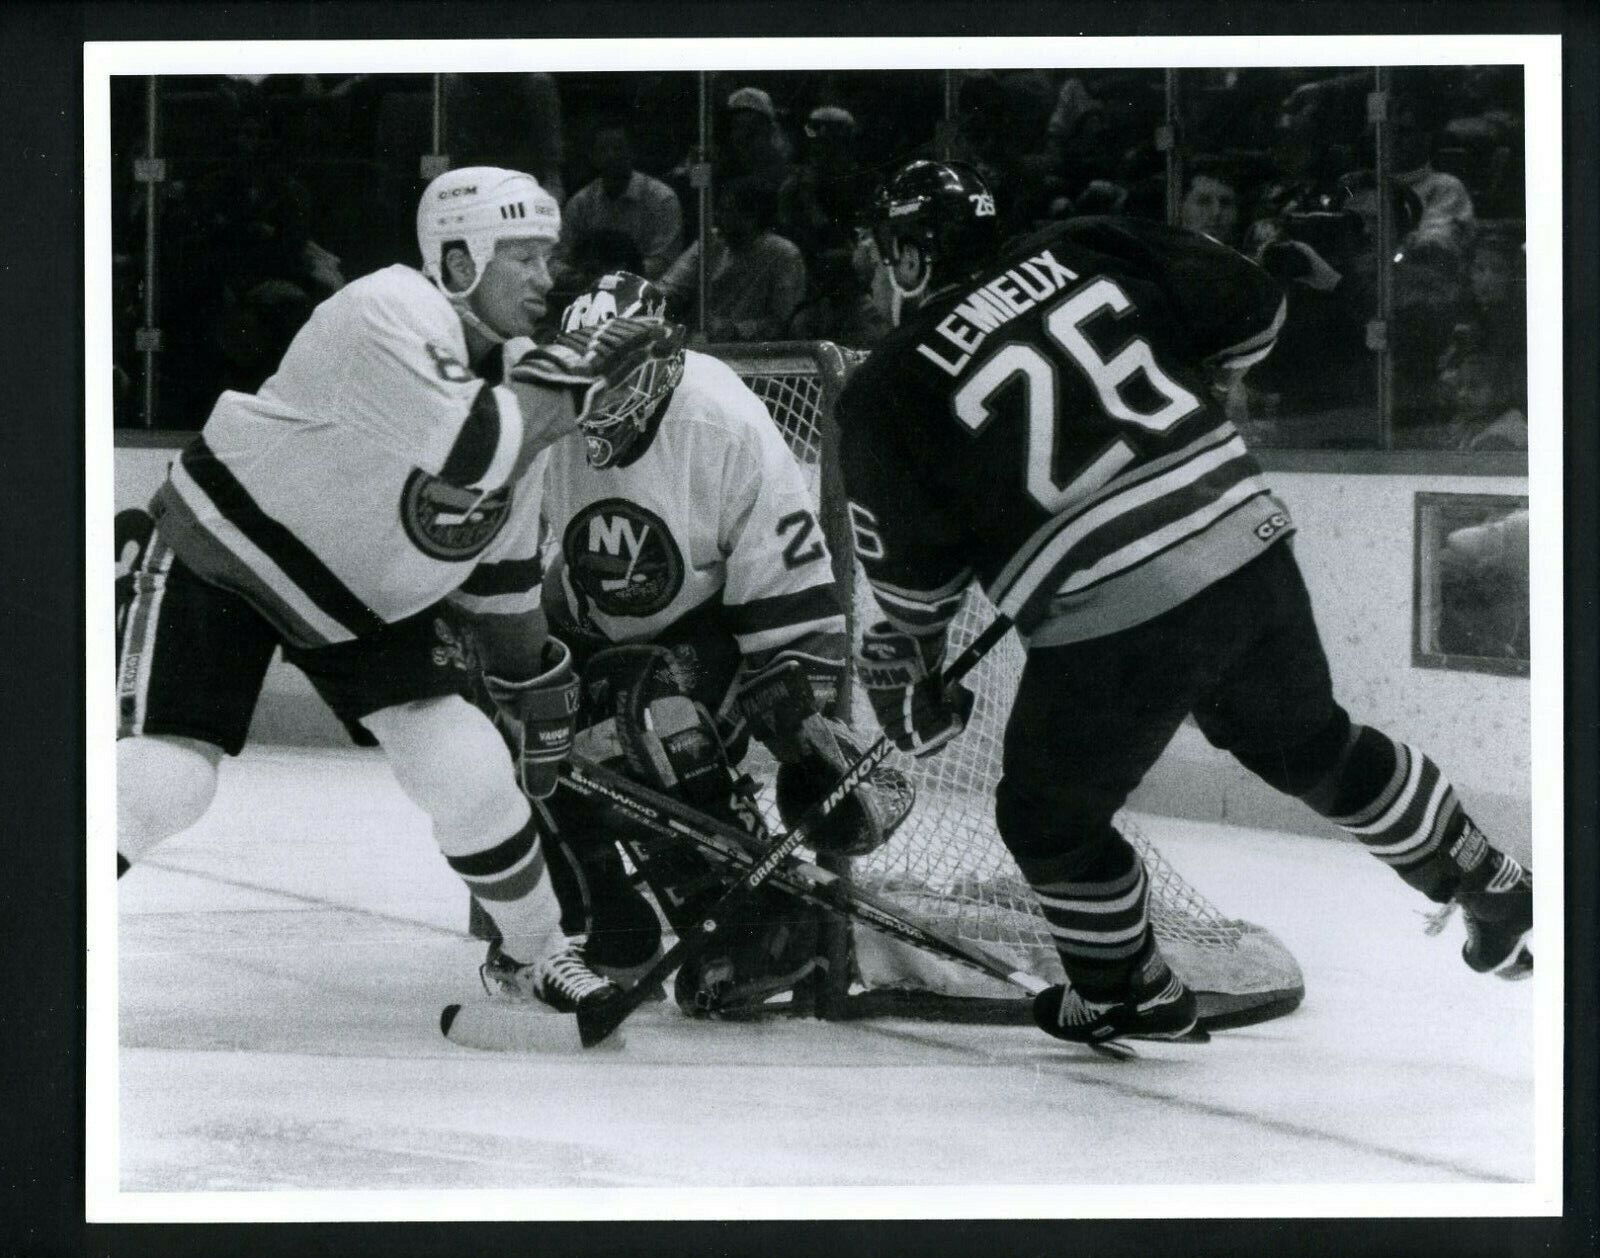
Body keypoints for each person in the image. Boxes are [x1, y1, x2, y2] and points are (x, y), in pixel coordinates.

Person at [835, 160, 1534, 1049]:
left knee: (1047, 818)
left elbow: (912, 590)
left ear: (910, 252)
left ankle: (1127, 990)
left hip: (1111, 616)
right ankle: (1485, 873)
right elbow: (1254, 308)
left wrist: (917, 681)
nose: (873, 269)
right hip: (1244, 542)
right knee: (1313, 743)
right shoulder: (1088, 242)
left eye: (879, 251)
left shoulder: (889, 385)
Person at [117, 167, 683, 1021]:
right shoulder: (387, 310)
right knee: (166, 782)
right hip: (226, 553)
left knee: (469, 767)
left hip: (364, 603)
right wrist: (565, 380)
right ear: (457, 261)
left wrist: (535, 687)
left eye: (548, 260)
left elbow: (497, 578)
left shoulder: (532, 384)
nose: (545, 280)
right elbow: (476, 450)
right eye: (522, 258)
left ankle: (536, 956)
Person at [525, 270, 895, 1015]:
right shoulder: (546, 417)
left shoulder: (721, 418)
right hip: (593, 626)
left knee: (655, 715)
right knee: (531, 728)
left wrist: (800, 722)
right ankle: (603, 929)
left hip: (710, 629)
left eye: (615, 378)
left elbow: (793, 591)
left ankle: (759, 924)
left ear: (661, 365)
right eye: (585, 374)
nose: (594, 402)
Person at [658, 175, 807, 342]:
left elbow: (782, 321)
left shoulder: (784, 254)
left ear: (752, 216)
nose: (718, 216)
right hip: (700, 342)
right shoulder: (710, 241)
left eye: (727, 211)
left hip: (754, 352)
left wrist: (736, 330)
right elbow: (672, 286)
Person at [554, 119, 684, 286]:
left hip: (645, 294)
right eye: (603, 150)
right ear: (592, 156)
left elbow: (665, 260)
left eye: (618, 148)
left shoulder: (662, 199)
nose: (611, 156)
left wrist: (612, 276)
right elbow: (557, 258)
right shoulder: (580, 203)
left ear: (632, 152)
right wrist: (574, 276)